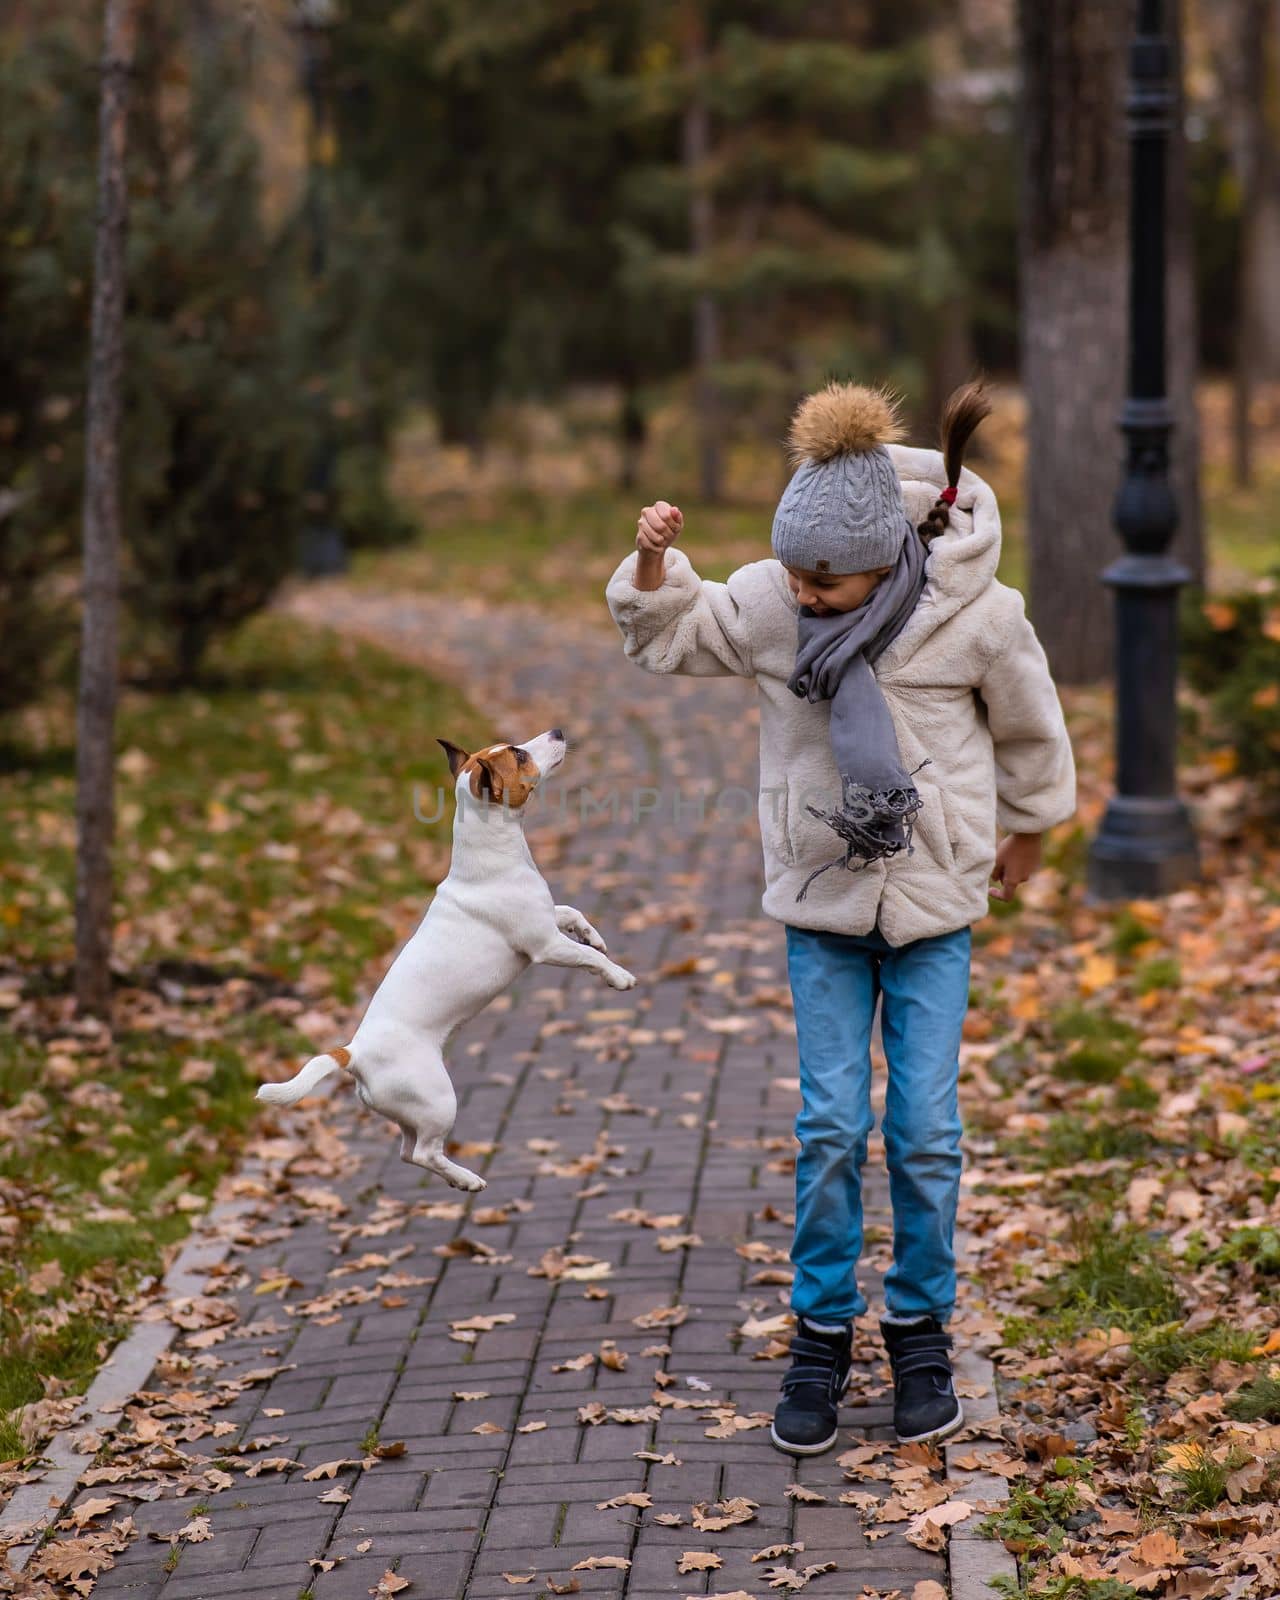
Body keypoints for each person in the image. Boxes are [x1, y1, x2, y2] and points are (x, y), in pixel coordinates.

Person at [604, 381, 1075, 1455]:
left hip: (933, 903)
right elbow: (671, 634)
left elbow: (1029, 731)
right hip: (819, 900)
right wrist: (648, 563)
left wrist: (1029, 832)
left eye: (828, 582)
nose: (809, 599)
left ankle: (917, 1328)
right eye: (797, 578)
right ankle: (819, 1333)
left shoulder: (974, 613)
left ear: (883, 553)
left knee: (920, 1130)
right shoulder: (773, 601)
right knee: (828, 1127)